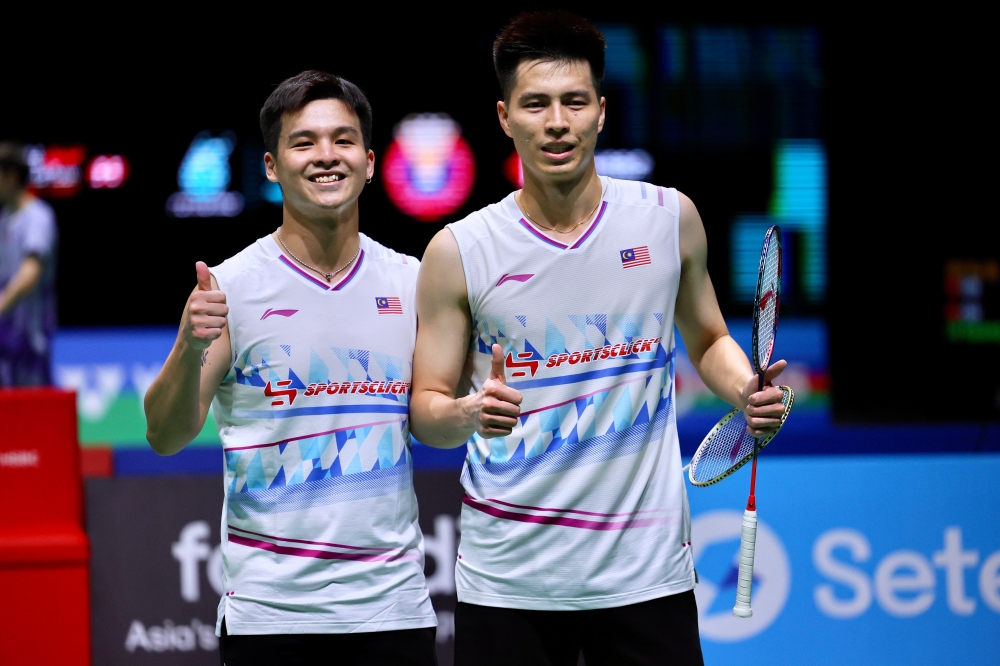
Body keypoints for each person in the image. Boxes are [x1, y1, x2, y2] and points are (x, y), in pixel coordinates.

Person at [410, 12, 788, 666]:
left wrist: (745, 389)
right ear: (505, 117)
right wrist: (468, 414)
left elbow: (708, 341)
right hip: (510, 580)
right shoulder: (460, 250)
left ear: (601, 112)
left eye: (574, 102)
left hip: (645, 571)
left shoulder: (669, 218)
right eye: (536, 104)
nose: (556, 121)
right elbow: (426, 413)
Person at [143, 71, 437, 666]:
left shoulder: (412, 282)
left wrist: (469, 411)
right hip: (269, 616)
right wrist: (187, 344)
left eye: (343, 140)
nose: (326, 156)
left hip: (393, 610)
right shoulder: (232, 287)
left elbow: (437, 422)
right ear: (273, 167)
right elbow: (165, 435)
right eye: (304, 143)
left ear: (371, 160)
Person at [0, 142, 58, 387]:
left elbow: (30, 273)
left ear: (11, 176)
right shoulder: (5, 218)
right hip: (5, 339)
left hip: (30, 340)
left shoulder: (38, 217)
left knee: (34, 417)